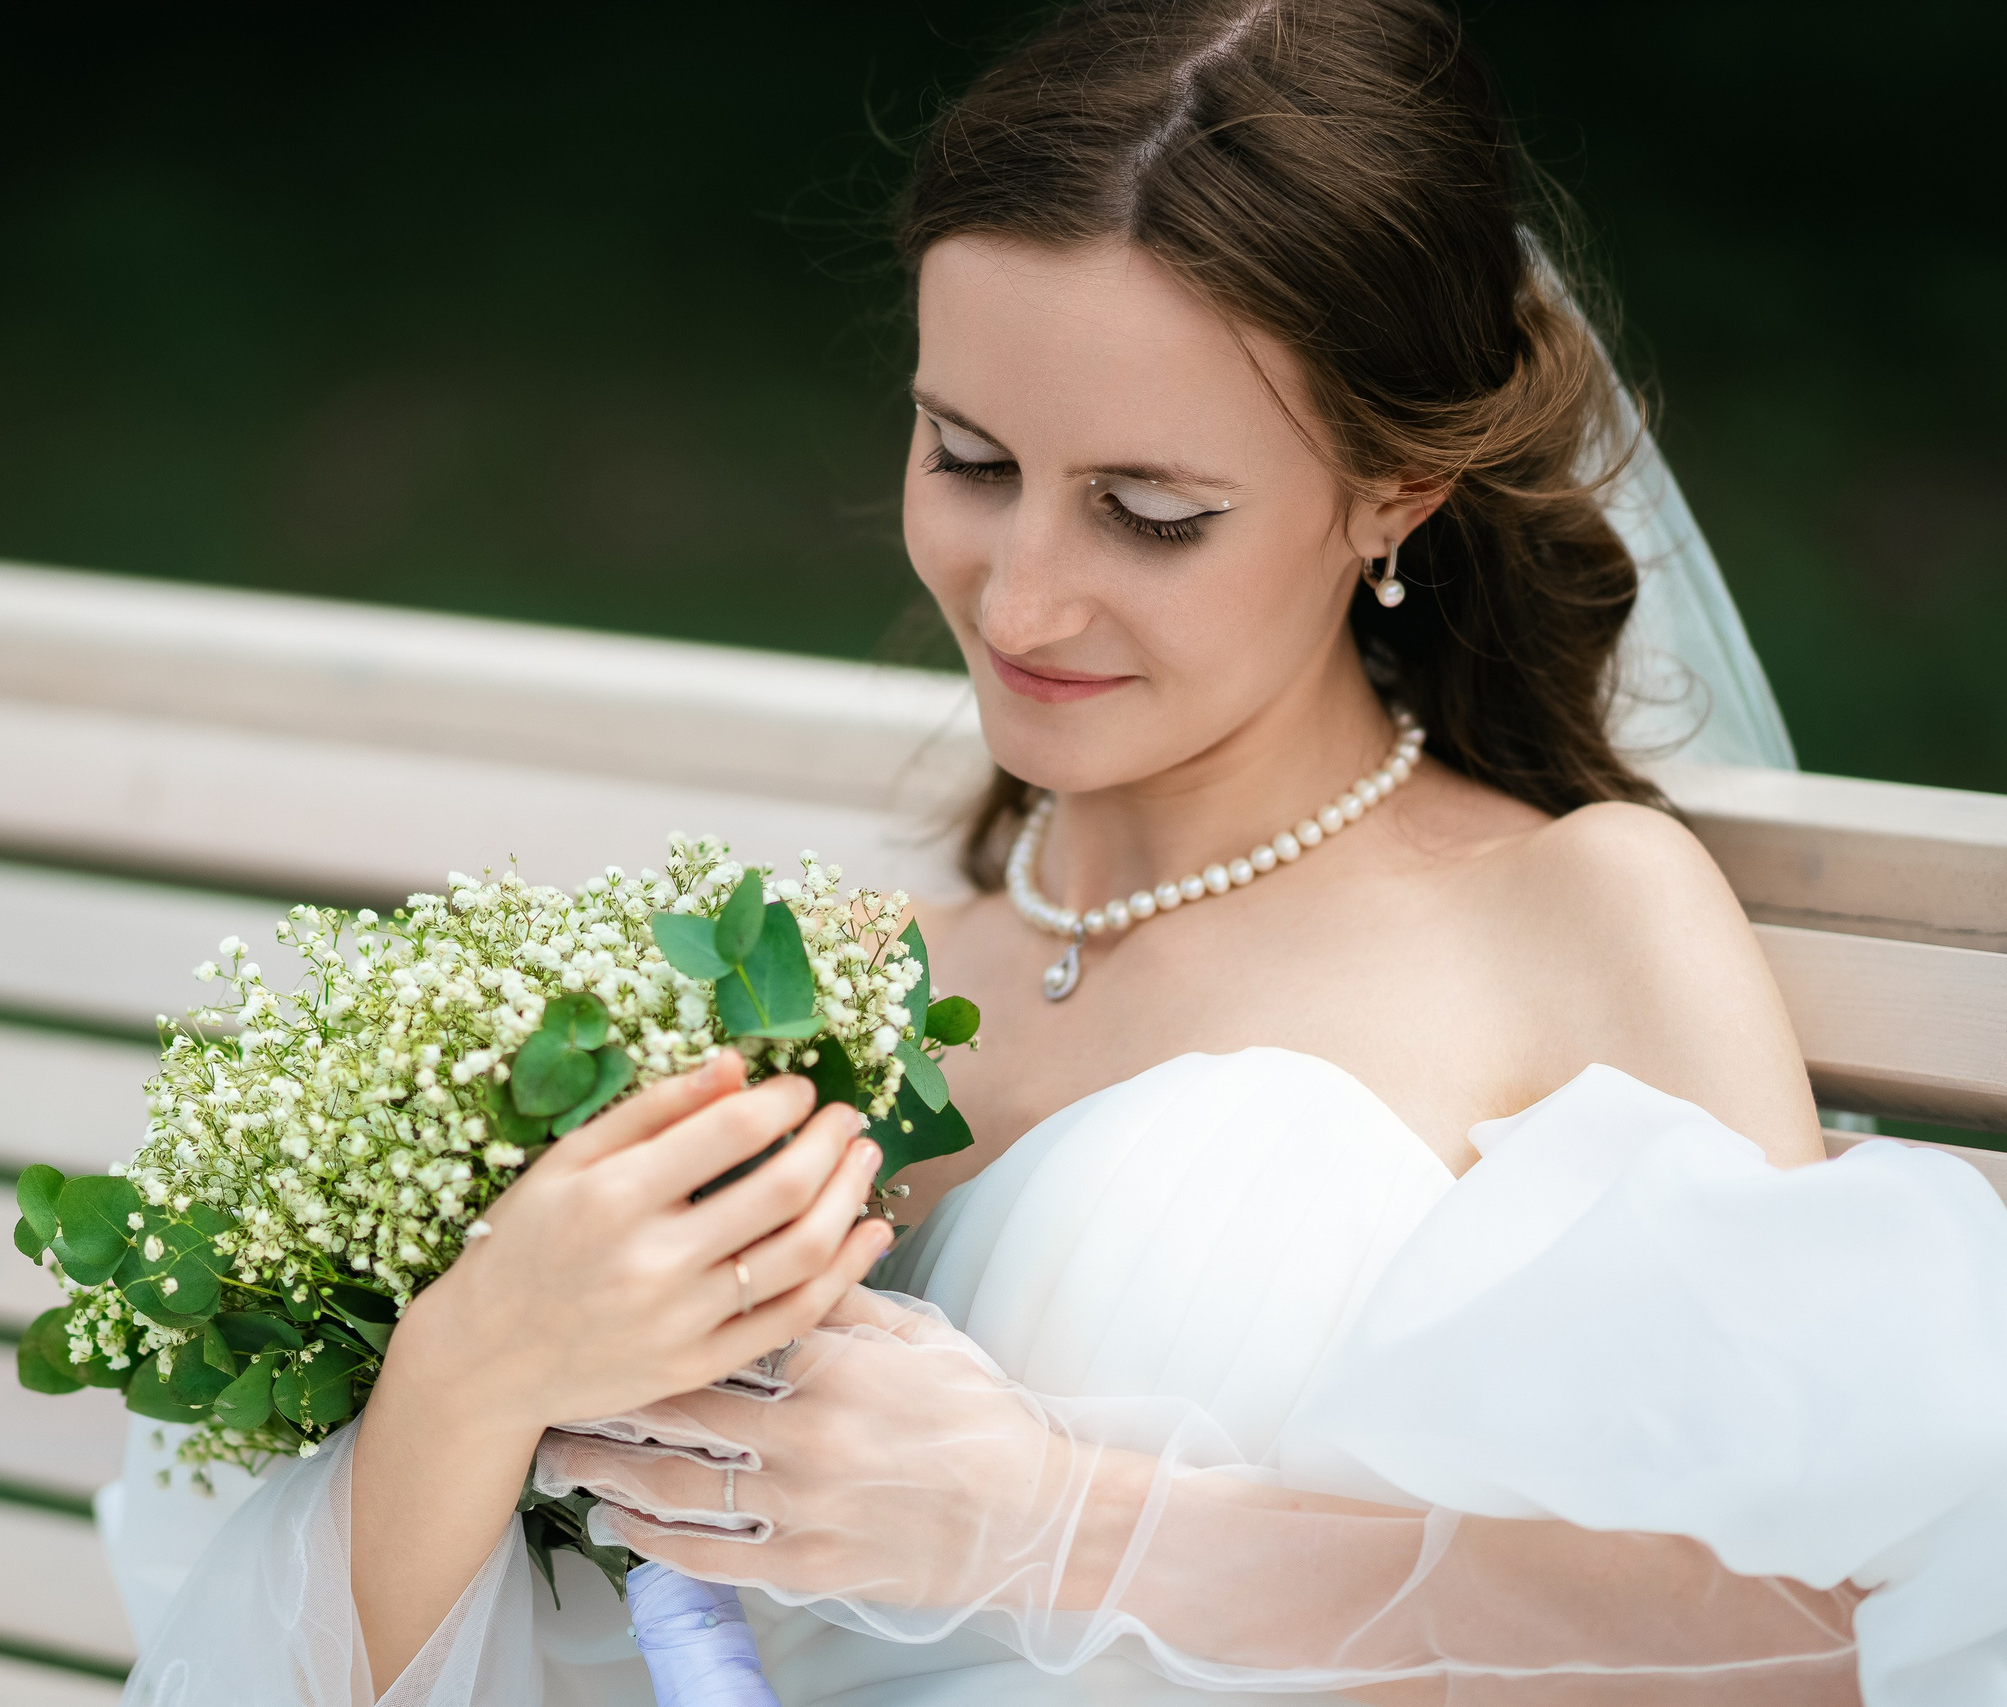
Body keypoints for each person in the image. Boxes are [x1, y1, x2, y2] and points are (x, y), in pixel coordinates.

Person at [110, 3, 2007, 1702]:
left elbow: (1813, 1634)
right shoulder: (831, 978)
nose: (1021, 595)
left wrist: (1054, 1530)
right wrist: (477, 1363)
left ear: (1392, 494)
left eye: (1154, 513)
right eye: (970, 455)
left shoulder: (1561, 916)